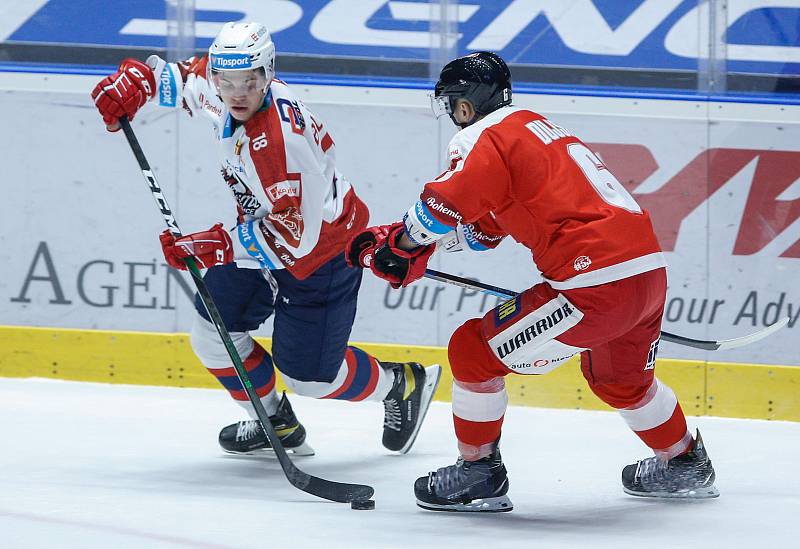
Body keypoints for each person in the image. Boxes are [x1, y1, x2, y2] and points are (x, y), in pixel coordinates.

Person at [346, 51, 718, 512]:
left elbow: (443, 203)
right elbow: (484, 231)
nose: (453, 115)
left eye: (454, 105)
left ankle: (478, 471)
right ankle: (684, 462)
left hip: (593, 284)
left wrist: (399, 243)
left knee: (471, 350)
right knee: (620, 380)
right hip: (646, 275)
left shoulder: (485, 137)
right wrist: (424, 245)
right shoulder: (536, 129)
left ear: (468, 103)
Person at [90, 21, 441, 457]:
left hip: (321, 255)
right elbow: (186, 79)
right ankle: (275, 420)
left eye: (249, 83)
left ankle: (403, 385)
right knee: (213, 332)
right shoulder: (229, 92)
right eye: (228, 82)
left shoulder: (278, 143)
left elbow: (295, 240)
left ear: (268, 74)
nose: (237, 93)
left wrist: (217, 246)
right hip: (264, 232)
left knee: (311, 378)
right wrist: (140, 82)